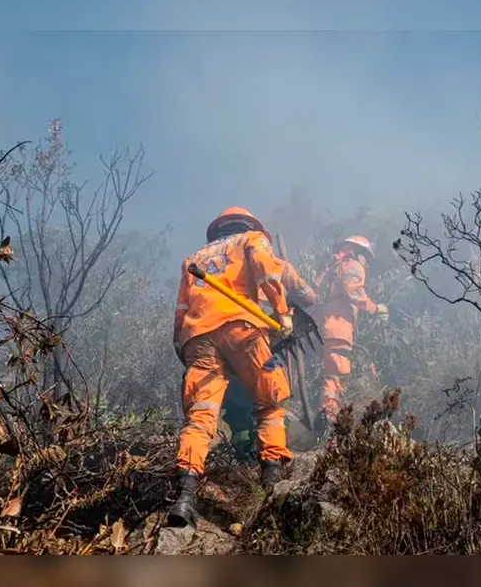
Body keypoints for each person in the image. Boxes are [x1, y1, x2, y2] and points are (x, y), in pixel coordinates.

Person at [167, 206, 295, 528]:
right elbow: (267, 272)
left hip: (198, 338)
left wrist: (184, 347)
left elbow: (181, 309)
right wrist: (283, 313)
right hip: (244, 328)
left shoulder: (193, 260)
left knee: (199, 419)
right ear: (248, 224)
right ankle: (272, 483)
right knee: (269, 403)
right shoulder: (252, 239)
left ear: (218, 229)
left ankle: (184, 497)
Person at [223, 259, 319, 461]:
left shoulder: (222, 267)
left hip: (228, 335)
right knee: (268, 393)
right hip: (264, 336)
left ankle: (245, 448)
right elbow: (307, 297)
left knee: (237, 389)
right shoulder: (277, 264)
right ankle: (269, 452)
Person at [314, 236, 389, 430]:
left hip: (326, 327)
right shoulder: (352, 265)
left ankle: (328, 417)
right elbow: (354, 291)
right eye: (367, 258)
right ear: (358, 252)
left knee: (334, 375)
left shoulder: (333, 268)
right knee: (335, 377)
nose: (367, 264)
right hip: (338, 329)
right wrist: (375, 308)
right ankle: (328, 421)